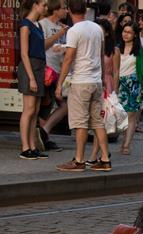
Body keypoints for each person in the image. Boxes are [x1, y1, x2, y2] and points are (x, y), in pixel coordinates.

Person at [55, 0, 112, 172]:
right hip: (96, 81)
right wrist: (102, 77)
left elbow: (69, 58)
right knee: (97, 122)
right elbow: (101, 55)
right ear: (85, 11)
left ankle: (79, 160)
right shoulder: (97, 28)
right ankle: (105, 159)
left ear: (69, 11)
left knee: (80, 122)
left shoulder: (74, 31)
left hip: (81, 81)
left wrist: (59, 84)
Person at [18, 0, 55, 160]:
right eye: (44, 5)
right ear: (35, 5)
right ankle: (25, 147)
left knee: (35, 109)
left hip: (39, 67)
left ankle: (33, 146)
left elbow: (41, 48)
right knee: (29, 109)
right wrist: (32, 78)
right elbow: (24, 53)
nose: (46, 8)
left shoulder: (37, 25)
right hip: (30, 68)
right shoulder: (25, 25)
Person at [39, 0, 69, 153]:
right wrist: (59, 34)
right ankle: (41, 136)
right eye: (64, 8)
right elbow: (42, 46)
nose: (66, 11)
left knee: (62, 106)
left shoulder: (63, 27)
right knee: (44, 105)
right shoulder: (43, 24)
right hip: (46, 70)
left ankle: (44, 133)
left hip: (58, 71)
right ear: (55, 10)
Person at [114, 21, 143, 154]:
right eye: (124, 31)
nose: (126, 34)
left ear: (135, 35)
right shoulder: (116, 48)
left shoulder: (139, 51)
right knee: (118, 115)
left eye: (129, 32)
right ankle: (122, 139)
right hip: (118, 83)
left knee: (131, 116)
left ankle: (126, 144)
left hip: (133, 84)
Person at [86, 18, 117, 167]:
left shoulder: (114, 50)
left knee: (100, 122)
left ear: (106, 32)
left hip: (106, 86)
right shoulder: (92, 46)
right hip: (93, 83)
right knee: (96, 122)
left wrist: (114, 93)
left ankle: (95, 155)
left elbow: (116, 72)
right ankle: (102, 153)